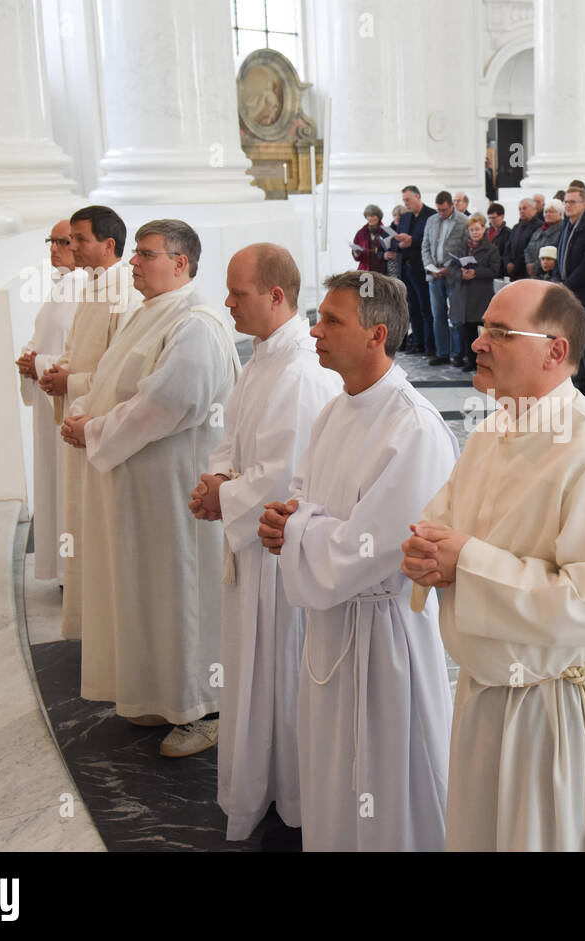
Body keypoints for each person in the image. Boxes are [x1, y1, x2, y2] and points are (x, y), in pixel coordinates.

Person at [402, 279, 585, 851]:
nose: (478, 343)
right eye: (481, 328)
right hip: (486, 693)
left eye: (499, 332)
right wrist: (424, 552)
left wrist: (463, 559)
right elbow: (441, 523)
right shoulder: (492, 431)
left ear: (555, 351)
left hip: (556, 708)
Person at [259, 271, 458, 851]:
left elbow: (367, 551)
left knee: (385, 776)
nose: (315, 330)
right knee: (333, 773)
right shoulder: (336, 410)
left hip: (382, 635)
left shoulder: (412, 427)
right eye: (318, 317)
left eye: (331, 320)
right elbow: (305, 498)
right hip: (330, 627)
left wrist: (294, 529)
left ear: (376, 334)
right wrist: (282, 521)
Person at [63, 219, 240, 755]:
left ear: (181, 262)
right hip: (139, 492)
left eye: (146, 254)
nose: (133, 263)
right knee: (149, 595)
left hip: (176, 494)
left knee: (184, 594)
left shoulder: (197, 324)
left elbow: (166, 403)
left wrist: (92, 428)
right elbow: (108, 380)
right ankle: (160, 695)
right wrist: (81, 410)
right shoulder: (150, 313)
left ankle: (205, 708)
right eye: (136, 253)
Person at [192, 243, 342, 840]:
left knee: (278, 673)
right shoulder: (259, 361)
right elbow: (233, 439)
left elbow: (285, 475)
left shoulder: (302, 370)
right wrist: (219, 478)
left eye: (238, 293)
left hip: (279, 552)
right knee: (252, 671)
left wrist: (221, 496)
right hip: (249, 542)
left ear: (276, 296)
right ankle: (259, 787)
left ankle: (292, 795)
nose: (227, 303)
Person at [40, 205, 140, 639]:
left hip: (100, 427)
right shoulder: (93, 286)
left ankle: (108, 627)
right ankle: (90, 624)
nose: (72, 247)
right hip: (79, 419)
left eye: (79, 239)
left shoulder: (125, 293)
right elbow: (78, 347)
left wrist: (71, 381)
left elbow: (121, 372)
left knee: (101, 535)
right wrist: (57, 371)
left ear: (108, 244)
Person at [15, 220, 83, 584]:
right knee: (52, 483)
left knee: (67, 488)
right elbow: (40, 339)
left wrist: (38, 363)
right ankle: (61, 569)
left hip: (68, 405)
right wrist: (30, 360)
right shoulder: (59, 288)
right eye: (51, 241)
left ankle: (72, 572)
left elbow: (81, 356)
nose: (54, 248)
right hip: (48, 407)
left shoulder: (85, 289)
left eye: (63, 241)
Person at [553, 189, 585, 397]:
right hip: (567, 293)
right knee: (572, 344)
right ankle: (577, 384)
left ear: (584, 204)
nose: (568, 206)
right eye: (566, 202)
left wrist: (568, 284)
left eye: (573, 202)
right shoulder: (567, 226)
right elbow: (559, 255)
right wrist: (557, 279)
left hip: (582, 294)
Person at [422, 190, 468, 365]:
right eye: (439, 209)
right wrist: (430, 267)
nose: (441, 213)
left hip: (453, 274)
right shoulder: (432, 220)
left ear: (452, 206)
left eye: (444, 210)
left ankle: (457, 354)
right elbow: (425, 246)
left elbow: (465, 249)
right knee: (437, 315)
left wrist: (448, 268)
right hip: (434, 275)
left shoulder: (462, 221)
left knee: (456, 316)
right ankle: (441, 352)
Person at [453, 214, 503, 372]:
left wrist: (476, 272)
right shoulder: (462, 248)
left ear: (483, 229)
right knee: (467, 330)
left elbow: (495, 270)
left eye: (477, 229)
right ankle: (470, 360)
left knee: (482, 331)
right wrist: (461, 274)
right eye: (471, 229)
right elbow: (452, 269)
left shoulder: (491, 248)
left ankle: (484, 362)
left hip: (481, 294)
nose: (474, 232)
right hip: (465, 295)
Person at [392, 186, 433, 355]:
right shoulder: (406, 217)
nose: (406, 203)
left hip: (421, 269)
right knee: (412, 308)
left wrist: (412, 241)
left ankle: (429, 345)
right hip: (406, 268)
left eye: (408, 199)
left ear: (417, 196)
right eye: (404, 200)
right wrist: (399, 243)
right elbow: (396, 240)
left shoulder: (430, 215)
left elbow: (429, 239)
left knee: (425, 308)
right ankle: (417, 343)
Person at [524, 199, 566, 277]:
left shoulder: (563, 231)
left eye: (551, 212)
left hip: (551, 274)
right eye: (546, 212)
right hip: (535, 275)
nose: (547, 214)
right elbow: (528, 249)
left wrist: (536, 266)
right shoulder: (538, 231)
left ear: (560, 214)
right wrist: (529, 263)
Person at [505, 198, 541, 280]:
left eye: (524, 208)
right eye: (520, 209)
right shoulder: (516, 227)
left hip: (527, 271)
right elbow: (507, 248)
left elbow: (530, 250)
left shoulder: (539, 227)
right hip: (513, 273)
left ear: (534, 209)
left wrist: (516, 265)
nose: (521, 211)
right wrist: (507, 263)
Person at [351, 204, 389, 274]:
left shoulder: (386, 231)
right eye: (368, 216)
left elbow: (390, 251)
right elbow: (356, 256)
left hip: (382, 271)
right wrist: (356, 254)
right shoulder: (361, 233)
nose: (370, 218)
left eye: (373, 216)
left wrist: (381, 252)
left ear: (379, 217)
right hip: (364, 271)